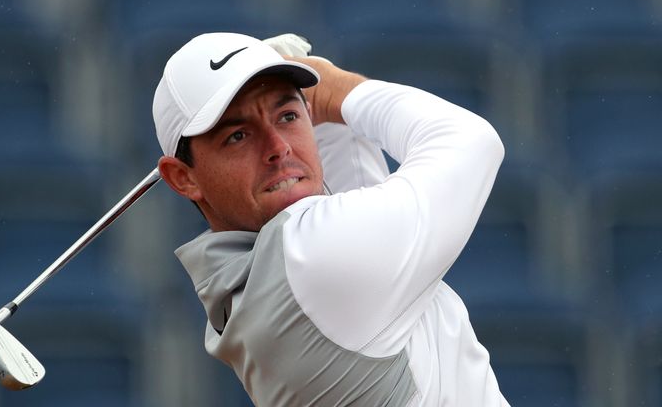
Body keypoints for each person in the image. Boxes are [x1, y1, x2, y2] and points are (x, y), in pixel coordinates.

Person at [153, 32, 509, 406]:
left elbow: (345, 175)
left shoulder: (248, 274)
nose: (278, 147)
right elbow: (473, 141)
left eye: (287, 116)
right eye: (238, 136)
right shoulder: (315, 259)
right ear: (183, 177)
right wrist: (331, 85)